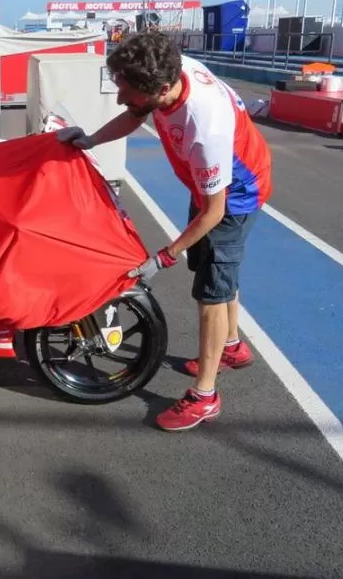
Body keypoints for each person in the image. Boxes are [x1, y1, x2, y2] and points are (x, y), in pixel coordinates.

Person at [56, 30, 272, 432]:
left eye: (128, 92)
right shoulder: (165, 74)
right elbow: (134, 113)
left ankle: (206, 395)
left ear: (163, 88)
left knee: (211, 292)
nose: (121, 98)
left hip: (235, 194)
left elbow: (213, 212)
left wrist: (166, 256)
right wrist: (89, 140)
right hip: (208, 185)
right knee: (215, 271)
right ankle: (232, 347)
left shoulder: (204, 126)